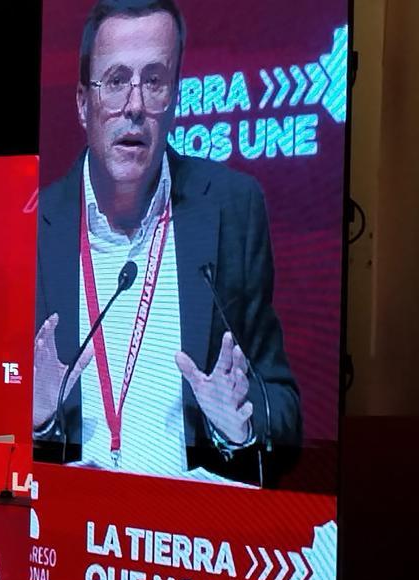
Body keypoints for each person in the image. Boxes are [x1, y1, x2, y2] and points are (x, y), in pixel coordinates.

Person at [33, 0, 300, 485]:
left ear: (174, 97)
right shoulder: (33, 222)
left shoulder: (232, 208)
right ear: (81, 102)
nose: (134, 106)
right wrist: (36, 417)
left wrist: (238, 425)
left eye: (153, 81)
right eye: (115, 81)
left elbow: (283, 405)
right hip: (64, 530)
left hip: (180, 540)